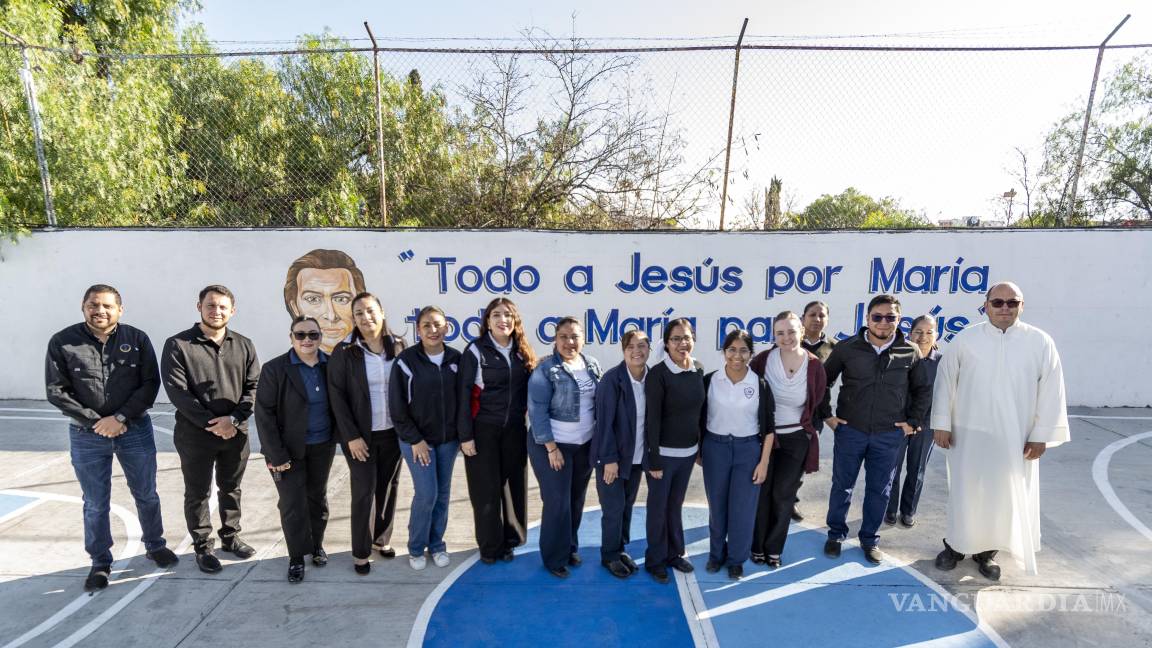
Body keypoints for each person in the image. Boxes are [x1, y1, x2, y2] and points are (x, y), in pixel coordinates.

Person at [931, 282, 1069, 580]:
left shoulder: (1040, 342)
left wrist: (1041, 435)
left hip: (1015, 437)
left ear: (1022, 305)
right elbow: (945, 381)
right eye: (998, 302)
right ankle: (955, 547)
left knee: (1002, 496)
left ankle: (987, 553)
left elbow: (1052, 391)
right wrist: (941, 423)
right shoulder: (966, 339)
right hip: (968, 434)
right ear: (986, 305)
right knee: (965, 492)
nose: (1005, 307)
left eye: (1012, 302)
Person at [46, 284, 178, 591]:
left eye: (107, 305)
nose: (100, 311)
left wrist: (119, 418)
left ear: (120, 309)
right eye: (94, 305)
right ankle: (100, 562)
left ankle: (155, 544)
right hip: (86, 434)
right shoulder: (62, 341)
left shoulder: (137, 339)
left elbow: (150, 383)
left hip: (134, 430)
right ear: (83, 307)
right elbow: (56, 391)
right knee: (95, 502)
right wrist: (97, 422)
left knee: (146, 493)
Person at [819, 294, 932, 565]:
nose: (883, 322)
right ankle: (835, 534)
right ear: (867, 318)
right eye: (877, 317)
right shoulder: (847, 348)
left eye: (890, 317)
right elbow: (822, 381)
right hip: (851, 431)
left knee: (879, 490)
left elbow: (922, 390)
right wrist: (827, 416)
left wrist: (913, 422)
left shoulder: (910, 351)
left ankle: (869, 539)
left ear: (899, 319)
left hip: (888, 436)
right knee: (842, 486)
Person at [162, 285, 261, 574]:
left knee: (231, 488)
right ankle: (203, 546)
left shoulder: (244, 345)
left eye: (222, 307)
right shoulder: (178, 344)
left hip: (236, 433)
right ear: (199, 307)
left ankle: (230, 537)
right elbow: (178, 392)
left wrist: (234, 420)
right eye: (210, 305)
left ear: (232, 310)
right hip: (194, 435)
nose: (216, 311)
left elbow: (254, 387)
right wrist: (214, 424)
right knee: (198, 492)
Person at [255, 316, 337, 583]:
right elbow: (264, 414)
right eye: (300, 335)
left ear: (320, 337)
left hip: (322, 445)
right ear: (291, 337)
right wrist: (275, 454)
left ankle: (317, 546)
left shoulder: (330, 365)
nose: (307, 340)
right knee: (292, 504)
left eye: (313, 335)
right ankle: (296, 557)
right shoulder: (275, 369)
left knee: (317, 499)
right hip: (286, 451)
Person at [328, 292, 405, 574]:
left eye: (370, 311)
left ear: (381, 312)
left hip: (393, 432)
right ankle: (360, 552)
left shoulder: (398, 346)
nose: (365, 317)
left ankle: (380, 540)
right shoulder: (344, 351)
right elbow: (337, 397)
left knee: (389, 486)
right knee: (364, 491)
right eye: (359, 313)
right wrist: (351, 436)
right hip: (361, 437)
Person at [457, 298, 536, 564]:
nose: (503, 320)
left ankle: (511, 541)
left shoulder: (522, 351)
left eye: (508, 315)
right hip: (483, 430)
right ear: (488, 321)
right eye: (497, 315)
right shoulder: (475, 350)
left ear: (515, 321)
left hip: (514, 430)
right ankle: (490, 547)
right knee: (486, 491)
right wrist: (466, 436)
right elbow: (463, 396)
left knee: (513, 488)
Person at [748, 312, 828, 568]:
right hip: (765, 439)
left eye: (791, 331)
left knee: (783, 495)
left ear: (802, 332)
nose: (786, 337)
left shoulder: (814, 365)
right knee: (762, 494)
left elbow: (816, 400)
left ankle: (774, 549)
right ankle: (756, 547)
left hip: (795, 440)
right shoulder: (762, 361)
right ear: (773, 335)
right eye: (780, 333)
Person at [527, 317, 603, 579]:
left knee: (576, 499)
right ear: (555, 339)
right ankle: (553, 558)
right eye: (564, 336)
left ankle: (570, 548)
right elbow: (537, 411)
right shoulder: (546, 369)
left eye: (574, 336)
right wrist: (551, 448)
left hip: (584, 445)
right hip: (552, 445)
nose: (570, 342)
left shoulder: (591, 364)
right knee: (557, 502)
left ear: (583, 339)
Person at [390, 306, 462, 570]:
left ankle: (437, 544)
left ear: (446, 327)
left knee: (442, 494)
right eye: (426, 326)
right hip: (417, 441)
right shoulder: (405, 361)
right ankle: (416, 547)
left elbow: (464, 400)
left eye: (438, 325)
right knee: (426, 494)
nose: (433, 330)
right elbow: (397, 408)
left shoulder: (456, 359)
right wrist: (415, 439)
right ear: (418, 330)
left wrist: (462, 435)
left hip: (448, 441)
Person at [700, 329, 775, 580]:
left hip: (748, 450)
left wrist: (763, 463)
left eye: (743, 350)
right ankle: (716, 555)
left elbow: (769, 429)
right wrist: (700, 450)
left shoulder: (760, 384)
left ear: (751, 354)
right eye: (732, 349)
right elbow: (699, 418)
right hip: (715, 449)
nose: (737, 355)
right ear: (724, 352)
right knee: (717, 506)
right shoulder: (710, 380)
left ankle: (736, 559)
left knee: (742, 510)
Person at [644, 318, 706, 584]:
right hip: (663, 456)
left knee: (674, 506)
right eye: (676, 339)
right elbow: (652, 420)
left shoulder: (698, 369)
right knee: (658, 508)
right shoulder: (658, 374)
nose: (682, 343)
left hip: (688, 454)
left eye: (687, 337)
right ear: (667, 344)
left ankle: (674, 553)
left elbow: (700, 414)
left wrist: (699, 448)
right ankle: (655, 560)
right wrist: (654, 458)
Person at [591, 329, 650, 579]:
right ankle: (609, 555)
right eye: (631, 347)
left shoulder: (651, 378)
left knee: (626, 506)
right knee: (613, 508)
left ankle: (620, 548)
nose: (637, 351)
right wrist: (609, 459)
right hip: (612, 460)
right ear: (624, 351)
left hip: (636, 459)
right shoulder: (612, 380)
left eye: (642, 346)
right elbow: (604, 423)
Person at [885, 315, 941, 529]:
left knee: (917, 470)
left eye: (929, 332)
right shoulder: (900, 358)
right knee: (892, 468)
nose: (923, 337)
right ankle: (890, 509)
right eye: (918, 331)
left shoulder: (942, 363)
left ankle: (908, 510)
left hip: (926, 426)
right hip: (898, 424)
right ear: (910, 333)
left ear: (936, 335)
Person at [791, 300, 836, 522]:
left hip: (814, 416)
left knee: (801, 461)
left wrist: (827, 415)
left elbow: (828, 384)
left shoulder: (834, 348)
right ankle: (776, 497)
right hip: (787, 412)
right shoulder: (790, 342)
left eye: (821, 315)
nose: (817, 319)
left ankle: (790, 500)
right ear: (803, 318)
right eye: (812, 315)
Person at [282, 249, 367, 354]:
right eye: (313, 299)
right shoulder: (279, 365)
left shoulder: (373, 360)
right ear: (294, 307)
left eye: (341, 299)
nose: (331, 316)